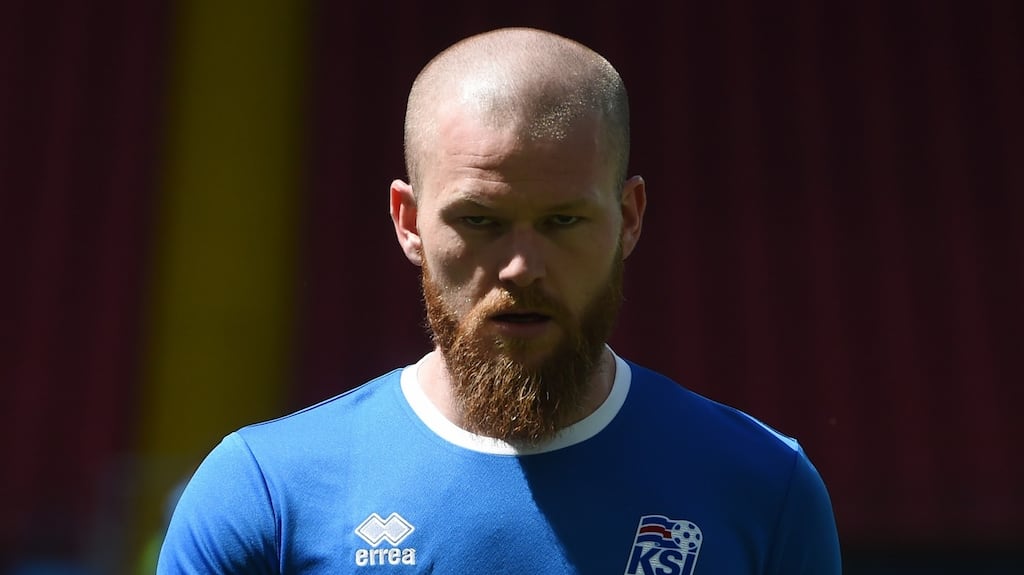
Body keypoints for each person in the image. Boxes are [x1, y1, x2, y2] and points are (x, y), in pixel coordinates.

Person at [157, 27, 841, 574]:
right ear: (408, 221)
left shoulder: (762, 487)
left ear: (629, 217)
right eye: (479, 220)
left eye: (563, 221)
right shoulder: (267, 495)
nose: (521, 266)